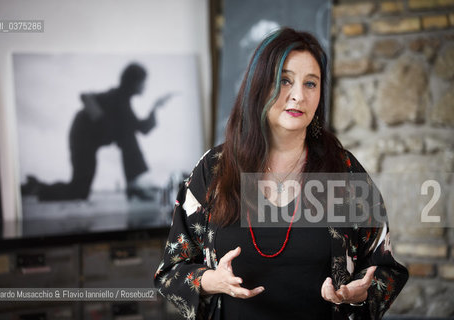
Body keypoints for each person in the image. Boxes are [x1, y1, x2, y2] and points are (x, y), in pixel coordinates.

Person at [154, 28, 408, 319]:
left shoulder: (343, 171)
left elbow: (386, 270)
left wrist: (359, 293)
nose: (298, 95)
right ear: (258, 86)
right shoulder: (215, 169)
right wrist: (212, 280)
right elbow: (171, 271)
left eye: (311, 84)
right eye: (285, 80)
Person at [22, 63, 173, 201]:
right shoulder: (115, 96)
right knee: (79, 191)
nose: (145, 86)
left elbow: (142, 128)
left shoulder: (124, 104)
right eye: (143, 82)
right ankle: (38, 188)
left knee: (80, 190)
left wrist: (155, 107)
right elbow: (86, 97)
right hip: (81, 138)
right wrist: (104, 124)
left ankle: (134, 183)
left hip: (90, 142)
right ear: (134, 82)